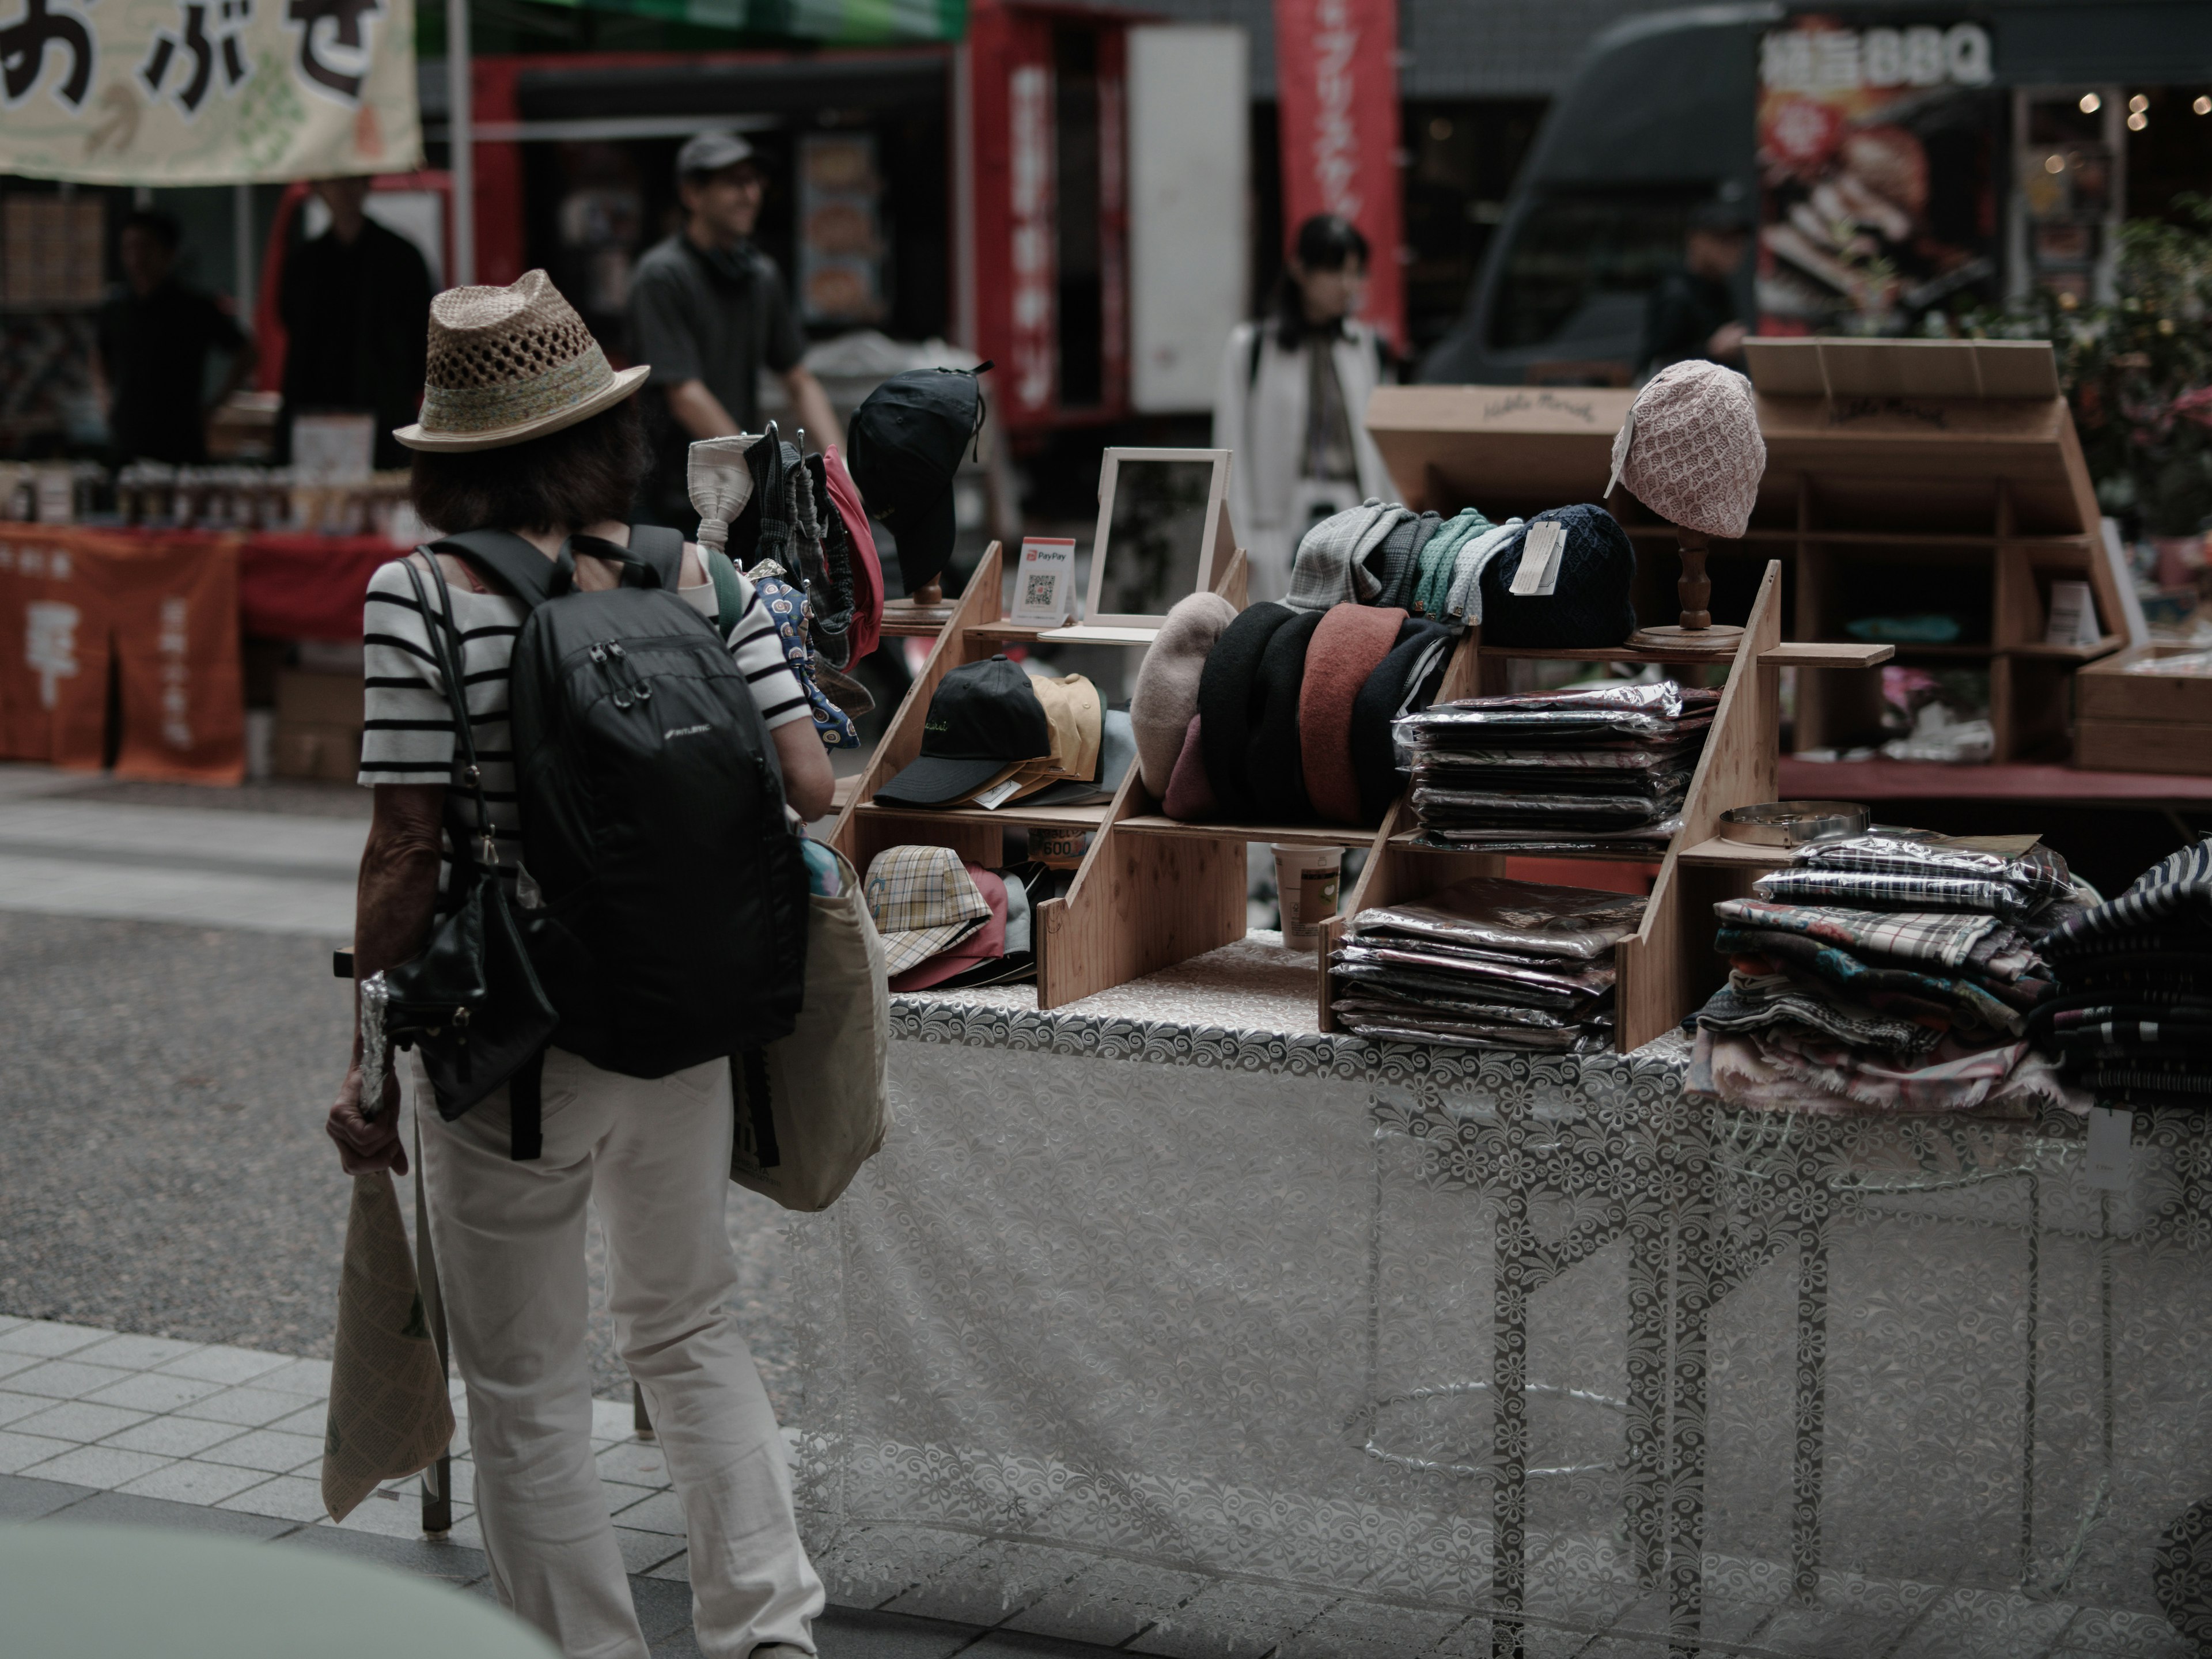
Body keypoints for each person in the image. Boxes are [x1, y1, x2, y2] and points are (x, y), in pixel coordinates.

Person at [327, 270, 833, 1659]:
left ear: (453, 453)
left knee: (530, 1387)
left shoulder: (416, 597)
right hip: (680, 1013)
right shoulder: (700, 570)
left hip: (509, 1037)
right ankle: (769, 1630)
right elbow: (805, 778)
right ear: (597, 427)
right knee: (688, 1328)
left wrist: (367, 1059)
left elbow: (404, 851)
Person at [628, 132, 842, 529]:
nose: (751, 194)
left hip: (738, 486)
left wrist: (839, 465)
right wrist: (762, 468)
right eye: (733, 183)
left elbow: (799, 380)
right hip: (676, 495)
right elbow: (685, 394)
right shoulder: (661, 277)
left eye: (754, 181)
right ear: (692, 194)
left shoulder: (761, 276)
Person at [1212, 214, 1395, 602]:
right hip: (1278, 520)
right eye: (1334, 271)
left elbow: (1386, 448)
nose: (1347, 286)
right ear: (1300, 269)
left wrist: (1393, 527)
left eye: (1355, 273)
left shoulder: (1367, 348)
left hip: (1356, 510)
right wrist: (1242, 543)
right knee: (1282, 633)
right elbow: (1230, 449)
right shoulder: (1253, 347)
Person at [278, 177, 433, 471]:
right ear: (318, 189)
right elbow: (290, 326)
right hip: (316, 411)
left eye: (354, 180)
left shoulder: (401, 257)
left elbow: (423, 336)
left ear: (367, 184)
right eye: (335, 182)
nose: (345, 190)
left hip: (385, 414)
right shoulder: (303, 262)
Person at [96, 207, 256, 465]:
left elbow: (247, 352)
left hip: (180, 440)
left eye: (145, 247)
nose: (137, 259)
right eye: (129, 248)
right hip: (127, 439)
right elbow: (99, 353)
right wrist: (105, 399)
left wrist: (216, 404)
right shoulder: (115, 308)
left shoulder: (195, 308)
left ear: (167, 253)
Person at [1638, 200, 1751, 380]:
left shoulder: (1719, 288)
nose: (1733, 249)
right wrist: (1711, 351)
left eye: (1738, 242)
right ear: (1695, 240)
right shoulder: (1676, 294)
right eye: (1722, 239)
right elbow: (1656, 369)